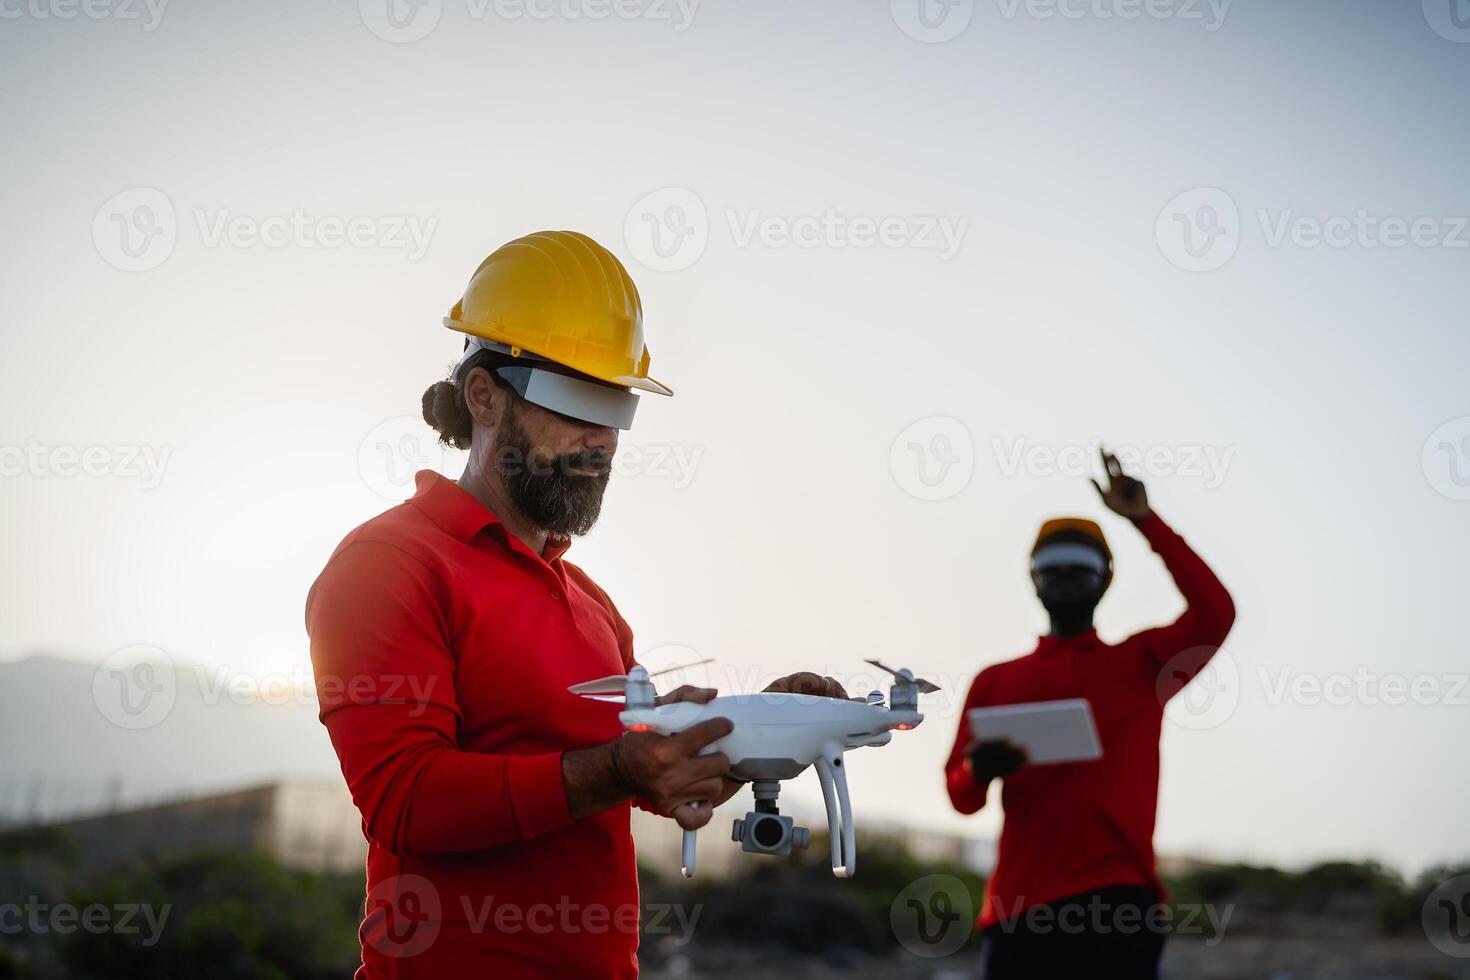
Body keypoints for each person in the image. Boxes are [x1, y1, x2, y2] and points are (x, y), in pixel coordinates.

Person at [306, 231, 847, 978]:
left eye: (615, 409)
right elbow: (404, 800)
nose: (601, 440)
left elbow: (653, 780)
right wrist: (618, 770)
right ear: (484, 396)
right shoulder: (389, 564)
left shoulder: (592, 602)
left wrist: (760, 737)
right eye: (574, 404)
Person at [945, 448, 1236, 979]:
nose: (1065, 577)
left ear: (1106, 579)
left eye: (1081, 567)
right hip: (1019, 904)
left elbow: (1216, 613)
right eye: (1050, 567)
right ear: (1033, 580)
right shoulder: (994, 680)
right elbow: (960, 794)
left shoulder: (1143, 663)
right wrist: (980, 770)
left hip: (1119, 903)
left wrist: (1147, 522)